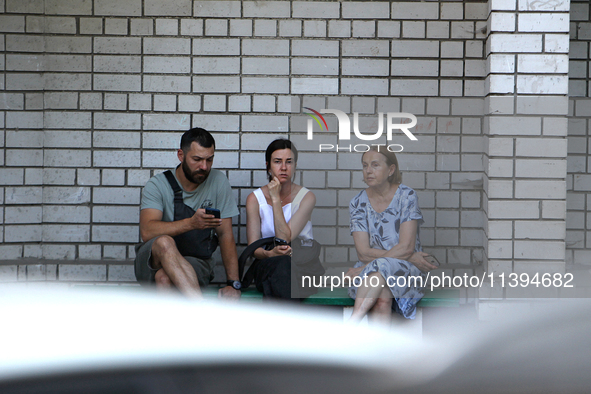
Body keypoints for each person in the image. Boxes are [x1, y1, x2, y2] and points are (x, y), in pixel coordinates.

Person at [134, 127, 241, 300]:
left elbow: (226, 235)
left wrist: (233, 283)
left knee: (164, 278)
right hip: (151, 262)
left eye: (209, 160)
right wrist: (191, 223)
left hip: (196, 262)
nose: (204, 167)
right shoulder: (157, 185)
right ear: (181, 155)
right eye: (197, 159)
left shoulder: (219, 182)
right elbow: (147, 232)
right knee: (164, 242)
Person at [346, 146, 437, 323]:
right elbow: (363, 253)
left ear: (391, 170)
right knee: (382, 298)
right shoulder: (357, 202)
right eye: (365, 166)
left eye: (375, 165)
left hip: (404, 271)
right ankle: (377, 348)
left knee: (379, 274)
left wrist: (364, 269)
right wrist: (408, 257)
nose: (368, 171)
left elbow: (406, 247)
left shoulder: (406, 196)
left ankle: (352, 324)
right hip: (373, 273)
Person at [245, 139, 323, 298]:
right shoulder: (255, 199)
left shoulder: (306, 197)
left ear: (295, 166)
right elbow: (254, 248)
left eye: (289, 162)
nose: (283, 168)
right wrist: (270, 254)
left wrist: (275, 199)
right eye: (277, 162)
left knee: (282, 274)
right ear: (268, 165)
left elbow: (284, 238)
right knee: (280, 267)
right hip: (269, 264)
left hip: (302, 265)